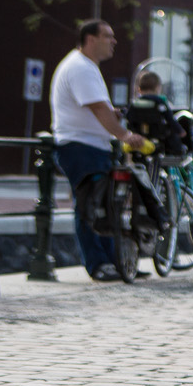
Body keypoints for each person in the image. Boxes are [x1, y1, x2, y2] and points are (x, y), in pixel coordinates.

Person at [50, 21, 146, 282]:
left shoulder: (85, 66)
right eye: (108, 36)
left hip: (90, 146)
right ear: (90, 39)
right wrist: (124, 134)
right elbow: (98, 108)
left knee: (105, 206)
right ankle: (98, 264)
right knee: (89, 206)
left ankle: (114, 262)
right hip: (81, 148)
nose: (114, 41)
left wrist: (110, 115)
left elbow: (98, 108)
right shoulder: (80, 67)